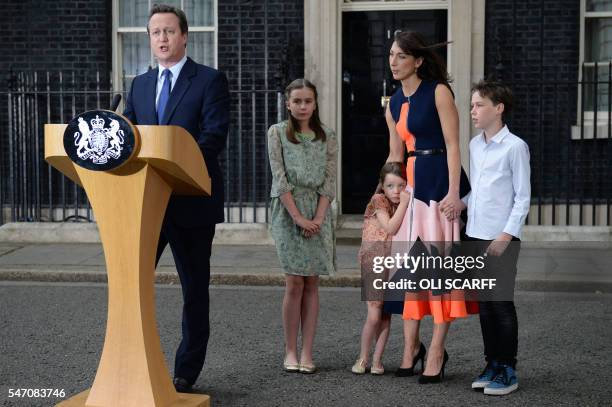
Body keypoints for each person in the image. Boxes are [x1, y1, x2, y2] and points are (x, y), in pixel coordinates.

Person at [123, 4, 230, 393]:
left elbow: (213, 138)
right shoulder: (138, 85)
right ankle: (134, 359)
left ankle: (186, 371)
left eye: (169, 31)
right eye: (156, 33)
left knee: (193, 291)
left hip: (191, 201)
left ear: (185, 36)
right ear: (150, 39)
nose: (163, 38)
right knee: (131, 287)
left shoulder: (210, 81)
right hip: (144, 204)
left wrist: (172, 167)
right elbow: (127, 141)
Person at [382, 30, 474, 383]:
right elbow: (394, 154)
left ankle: (436, 351)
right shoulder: (392, 102)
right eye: (391, 55)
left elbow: (453, 145)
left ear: (418, 61)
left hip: (438, 185)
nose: (393, 61)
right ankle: (410, 350)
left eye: (401, 56)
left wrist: (453, 193)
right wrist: (385, 196)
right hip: (410, 190)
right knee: (410, 270)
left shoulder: (438, 91)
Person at [462, 80, 530, 396]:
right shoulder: (475, 146)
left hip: (500, 239)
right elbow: (479, 190)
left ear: (498, 107)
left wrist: (506, 235)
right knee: (485, 306)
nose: (473, 111)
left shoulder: (515, 147)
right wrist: (458, 204)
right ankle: (492, 364)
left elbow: (522, 197)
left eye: (479, 105)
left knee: (500, 304)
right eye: (472, 105)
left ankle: (508, 369)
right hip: (475, 234)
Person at [267, 78, 337, 375]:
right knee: (294, 281)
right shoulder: (278, 133)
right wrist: (298, 218)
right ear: (287, 104)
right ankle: (290, 351)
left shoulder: (328, 136)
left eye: (308, 101)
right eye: (297, 101)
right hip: (288, 210)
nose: (303, 106)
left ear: (315, 103)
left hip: (318, 211)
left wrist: (318, 218)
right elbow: (279, 178)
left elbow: (330, 179)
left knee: (312, 282)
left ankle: (308, 352)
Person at [352, 162, 410, 376]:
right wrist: (404, 204)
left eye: (401, 185)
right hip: (373, 261)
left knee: (386, 314)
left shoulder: (402, 202)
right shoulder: (379, 200)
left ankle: (377, 360)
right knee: (375, 314)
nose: (396, 191)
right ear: (383, 187)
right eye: (391, 186)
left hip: (393, 262)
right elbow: (390, 227)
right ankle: (363, 357)